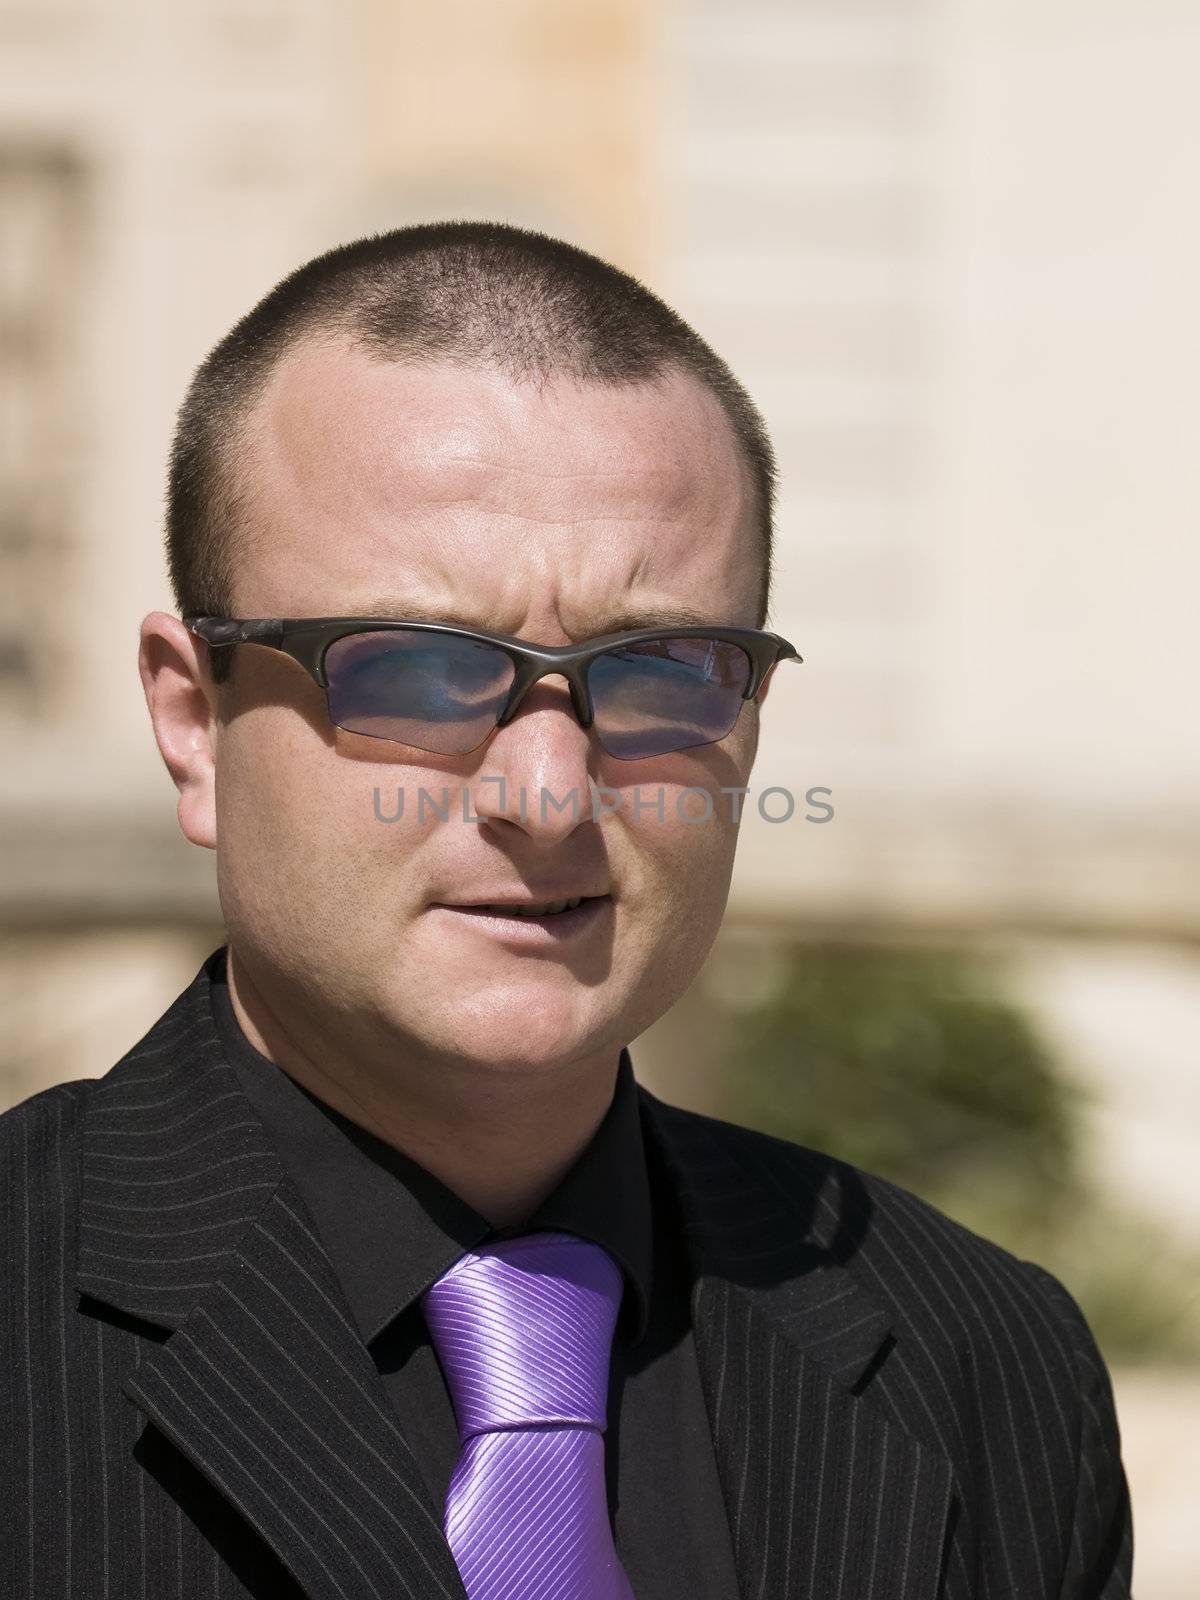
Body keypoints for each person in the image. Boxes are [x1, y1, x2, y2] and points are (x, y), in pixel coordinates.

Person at [1, 222, 1131, 1599]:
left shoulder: (987, 1369)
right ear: (195, 725)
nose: (546, 790)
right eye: (413, 673)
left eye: (658, 675)